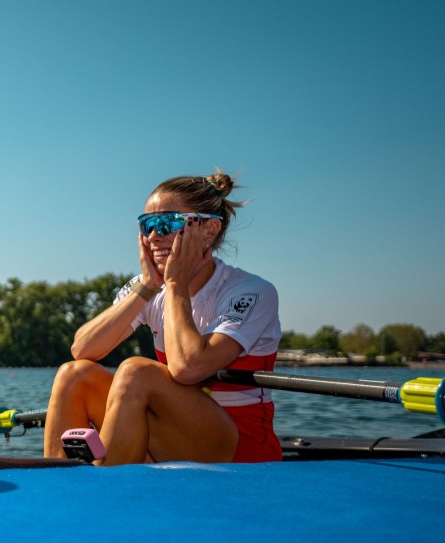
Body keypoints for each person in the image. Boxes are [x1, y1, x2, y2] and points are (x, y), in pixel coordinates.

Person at [43, 171, 281, 465]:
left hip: (238, 448)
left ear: (209, 230)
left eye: (167, 223)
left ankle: (104, 488)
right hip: (173, 432)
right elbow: (83, 349)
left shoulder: (252, 292)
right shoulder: (147, 286)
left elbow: (187, 369)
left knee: (136, 372)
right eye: (148, 225)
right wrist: (147, 287)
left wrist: (175, 286)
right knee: (74, 374)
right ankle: (56, 486)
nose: (154, 236)